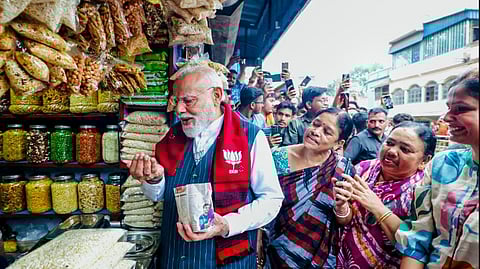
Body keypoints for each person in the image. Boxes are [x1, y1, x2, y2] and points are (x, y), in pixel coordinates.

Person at [128, 64, 284, 268]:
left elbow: (271, 199)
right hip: (175, 257)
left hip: (227, 260)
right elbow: (158, 195)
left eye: (189, 101)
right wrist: (154, 180)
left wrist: (227, 225)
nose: (179, 110)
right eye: (177, 101)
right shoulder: (172, 138)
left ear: (216, 95)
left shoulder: (251, 137)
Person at [396, 68, 479, 269]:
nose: (446, 117)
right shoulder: (443, 165)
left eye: (460, 109)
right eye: (448, 107)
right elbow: (417, 239)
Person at [336, 121, 437, 268]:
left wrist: (377, 207)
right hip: (341, 259)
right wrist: (341, 207)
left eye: (405, 149)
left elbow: (417, 246)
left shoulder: (422, 191)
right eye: (389, 143)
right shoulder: (364, 168)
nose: (392, 151)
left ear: (424, 160)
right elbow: (346, 219)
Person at [267, 107, 354, 268]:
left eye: (327, 131)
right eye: (315, 124)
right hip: (275, 248)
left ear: (339, 143)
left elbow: (344, 221)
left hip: (316, 256)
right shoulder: (279, 157)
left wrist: (341, 205)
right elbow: (262, 203)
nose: (315, 131)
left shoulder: (342, 169)